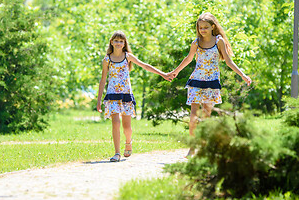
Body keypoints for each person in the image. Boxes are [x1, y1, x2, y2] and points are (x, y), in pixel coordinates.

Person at [170, 12, 252, 158]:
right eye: (200, 27)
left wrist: (243, 75)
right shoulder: (196, 43)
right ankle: (192, 147)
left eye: (205, 27)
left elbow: (228, 61)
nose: (202, 30)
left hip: (212, 83)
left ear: (213, 27)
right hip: (196, 81)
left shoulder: (219, 41)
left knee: (206, 116)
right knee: (193, 116)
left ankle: (204, 147)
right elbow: (188, 59)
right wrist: (175, 72)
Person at [97, 31, 173, 162]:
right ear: (111, 42)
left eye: (121, 41)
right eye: (116, 41)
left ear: (124, 43)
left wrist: (163, 74)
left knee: (126, 127)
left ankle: (128, 142)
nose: (118, 43)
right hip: (112, 94)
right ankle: (117, 153)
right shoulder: (107, 59)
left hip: (126, 94)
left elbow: (145, 66)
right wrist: (99, 100)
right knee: (115, 123)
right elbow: (103, 79)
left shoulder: (128, 56)